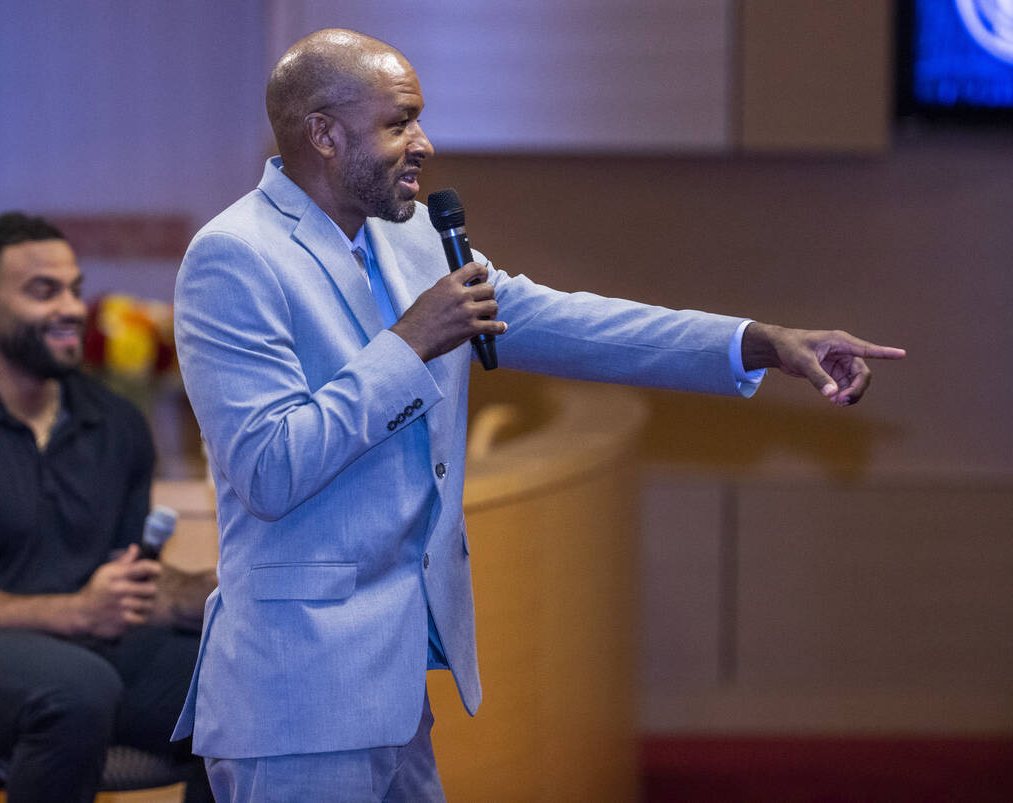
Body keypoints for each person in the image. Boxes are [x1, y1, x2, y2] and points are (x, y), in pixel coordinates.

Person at [170, 28, 906, 802]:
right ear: (324, 133)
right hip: (297, 694)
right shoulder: (234, 255)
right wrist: (410, 342)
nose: (424, 142)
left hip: (394, 686)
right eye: (400, 122)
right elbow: (268, 469)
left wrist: (759, 343)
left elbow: (579, 325)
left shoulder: (415, 237)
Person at [0, 212, 216, 803]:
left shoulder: (116, 424)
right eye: (43, 292)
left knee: (237, 675)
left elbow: (128, 580)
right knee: (76, 690)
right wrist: (74, 611)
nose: (72, 308)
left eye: (74, 289)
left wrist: (216, 596)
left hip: (89, 651)